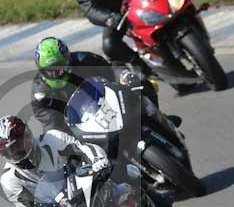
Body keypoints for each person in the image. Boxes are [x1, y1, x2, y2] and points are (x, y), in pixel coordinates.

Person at [69, 0, 187, 76]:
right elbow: (89, 8)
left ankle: (192, 24)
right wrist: (109, 18)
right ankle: (145, 69)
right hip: (117, 12)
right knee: (110, 45)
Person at [32, 36, 160, 134]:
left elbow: (110, 69)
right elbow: (52, 125)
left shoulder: (85, 60)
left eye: (61, 67)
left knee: (143, 84)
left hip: (107, 101)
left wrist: (124, 75)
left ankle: (160, 121)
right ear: (41, 70)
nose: (56, 74)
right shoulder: (41, 95)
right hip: (83, 127)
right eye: (50, 71)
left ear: (68, 61)